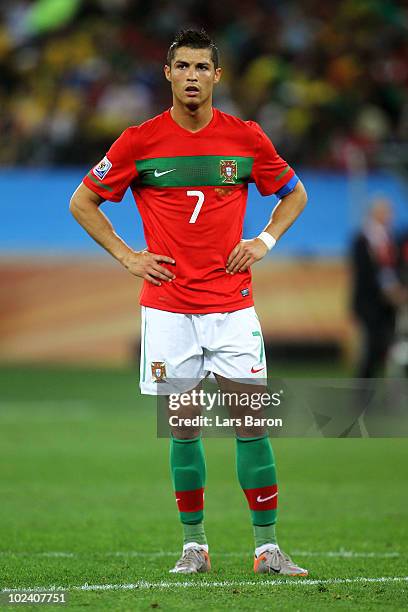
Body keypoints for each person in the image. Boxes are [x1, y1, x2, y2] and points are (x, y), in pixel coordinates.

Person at [70, 28, 308, 576]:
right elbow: (82, 201)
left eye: (203, 67)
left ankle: (267, 550)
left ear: (217, 75)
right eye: (184, 67)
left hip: (231, 307)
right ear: (168, 74)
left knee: (252, 424)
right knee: (183, 427)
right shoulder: (138, 141)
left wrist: (264, 241)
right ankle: (194, 547)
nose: (193, 76)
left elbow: (294, 192)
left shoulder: (245, 138)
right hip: (169, 310)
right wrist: (129, 256)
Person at [351, 197, 407, 378]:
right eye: (385, 212)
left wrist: (398, 289)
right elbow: (365, 273)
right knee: (373, 348)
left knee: (387, 348)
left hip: (388, 305)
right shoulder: (363, 239)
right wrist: (386, 291)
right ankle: (363, 392)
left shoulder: (390, 238)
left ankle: (383, 390)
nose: (389, 216)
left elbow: (394, 269)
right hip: (370, 303)